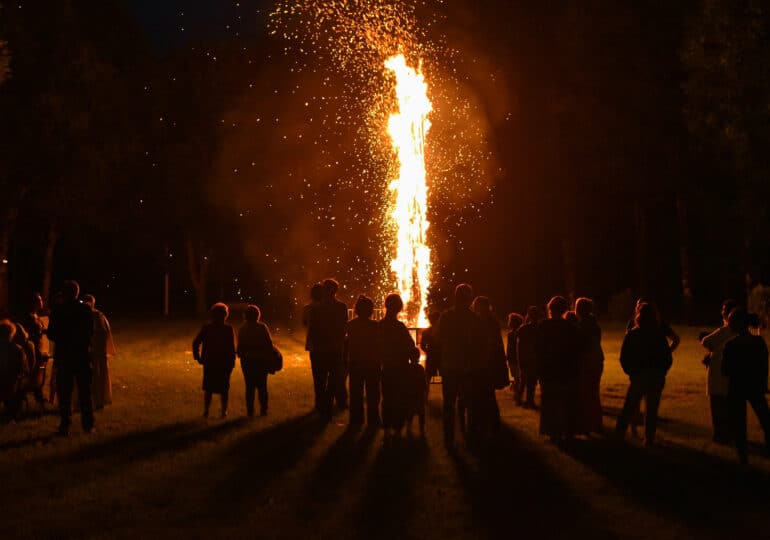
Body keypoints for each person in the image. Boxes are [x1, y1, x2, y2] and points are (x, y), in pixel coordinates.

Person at [615, 303, 673, 447]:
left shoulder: (633, 334)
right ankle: (649, 439)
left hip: (639, 376)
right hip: (656, 376)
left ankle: (619, 435)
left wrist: (631, 372)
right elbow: (667, 357)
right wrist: (662, 372)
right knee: (651, 409)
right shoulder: (659, 335)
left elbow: (624, 357)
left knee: (629, 407)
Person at [437, 283, 486, 446]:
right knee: (468, 403)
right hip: (468, 367)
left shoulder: (446, 316)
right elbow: (480, 344)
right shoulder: (473, 318)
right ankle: (469, 434)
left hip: (450, 365)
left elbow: (437, 339)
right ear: (469, 298)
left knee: (449, 403)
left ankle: (449, 437)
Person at [721, 308, 770, 465]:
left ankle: (743, 458)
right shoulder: (758, 342)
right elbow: (764, 366)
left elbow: (725, 370)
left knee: (739, 425)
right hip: (755, 386)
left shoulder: (731, 345)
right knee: (766, 420)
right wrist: (762, 383)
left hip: (737, 388)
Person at [625, 298, 680, 437]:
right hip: (653, 372)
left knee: (636, 404)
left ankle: (633, 432)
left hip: (640, 371)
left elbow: (627, 349)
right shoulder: (648, 325)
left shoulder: (652, 326)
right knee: (648, 407)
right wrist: (666, 354)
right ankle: (643, 434)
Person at [47, 280, 94, 435]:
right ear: (77, 293)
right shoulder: (85, 310)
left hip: (64, 356)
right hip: (81, 355)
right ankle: (88, 424)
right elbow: (89, 333)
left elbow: (52, 334)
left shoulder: (58, 311)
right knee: (85, 391)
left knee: (65, 393)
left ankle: (65, 424)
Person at [537, 296, 582, 441]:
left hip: (548, 370)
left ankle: (552, 432)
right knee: (566, 401)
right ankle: (567, 431)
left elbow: (538, 350)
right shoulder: (569, 328)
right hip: (565, 369)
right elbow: (576, 350)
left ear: (550, 309)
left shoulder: (543, 326)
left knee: (550, 402)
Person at [379, 293, 419, 440]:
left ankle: (387, 426)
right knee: (400, 397)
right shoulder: (400, 327)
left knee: (388, 397)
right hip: (400, 368)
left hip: (387, 367)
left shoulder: (380, 326)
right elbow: (410, 346)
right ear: (399, 308)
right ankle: (397, 426)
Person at [306, 278, 348, 418]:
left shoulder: (316, 308)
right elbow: (343, 328)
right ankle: (328, 404)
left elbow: (312, 329)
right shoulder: (341, 307)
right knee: (333, 379)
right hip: (335, 348)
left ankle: (320, 405)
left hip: (319, 349)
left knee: (319, 379)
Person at [701, 299, 738, 444]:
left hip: (718, 374)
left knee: (717, 406)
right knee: (729, 408)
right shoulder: (741, 332)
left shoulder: (724, 331)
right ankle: (731, 433)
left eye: (724, 309)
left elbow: (706, 341)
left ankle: (719, 435)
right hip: (732, 376)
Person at [193, 303, 236, 418]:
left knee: (209, 387)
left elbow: (196, 342)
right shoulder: (228, 329)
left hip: (210, 362)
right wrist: (232, 362)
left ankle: (206, 411)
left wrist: (198, 357)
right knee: (224, 388)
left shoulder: (207, 328)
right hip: (223, 362)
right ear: (225, 315)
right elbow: (232, 348)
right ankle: (223, 410)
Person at [471, 296, 506, 438]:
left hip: (485, 364)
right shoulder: (491, 320)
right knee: (487, 395)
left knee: (485, 395)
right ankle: (491, 423)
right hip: (489, 363)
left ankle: (487, 425)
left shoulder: (485, 321)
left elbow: (489, 343)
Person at [345, 295, 381, 427]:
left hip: (356, 362)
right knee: (373, 394)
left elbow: (346, 344)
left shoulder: (351, 325)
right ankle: (373, 419)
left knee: (356, 393)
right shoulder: (375, 326)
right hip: (372, 363)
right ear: (371, 310)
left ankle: (356, 420)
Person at [237, 305, 275, 417]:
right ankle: (264, 409)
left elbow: (240, 346)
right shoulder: (262, 327)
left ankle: (250, 410)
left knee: (249, 386)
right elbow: (269, 344)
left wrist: (241, 354)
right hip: (261, 360)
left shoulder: (243, 329)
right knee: (262, 386)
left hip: (247, 361)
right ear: (258, 315)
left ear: (245, 316)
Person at [575, 297, 604, 435]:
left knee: (586, 394)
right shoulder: (595, 324)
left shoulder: (581, 325)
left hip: (587, 361)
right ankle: (597, 423)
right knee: (594, 392)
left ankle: (587, 424)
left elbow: (580, 345)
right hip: (597, 360)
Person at [81, 295, 115, 410]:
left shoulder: (98, 316)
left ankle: (98, 400)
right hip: (90, 351)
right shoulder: (94, 316)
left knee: (98, 375)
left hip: (96, 351)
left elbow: (103, 333)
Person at [303, 283, 326, 410]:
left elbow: (305, 323)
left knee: (317, 375)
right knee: (328, 374)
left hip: (314, 346)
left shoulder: (307, 308)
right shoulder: (327, 307)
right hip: (327, 345)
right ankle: (326, 401)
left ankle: (319, 401)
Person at [0, 319, 28, 422]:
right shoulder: (18, 350)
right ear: (12, 333)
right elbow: (24, 369)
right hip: (11, 384)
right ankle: (13, 412)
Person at [516, 306, 540, 408]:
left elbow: (519, 347)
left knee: (525, 381)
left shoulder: (523, 329)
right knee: (530, 381)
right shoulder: (540, 328)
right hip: (533, 359)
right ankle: (528, 400)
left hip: (527, 359)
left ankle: (521, 399)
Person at [405, 354, 427, 437]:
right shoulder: (420, 368)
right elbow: (423, 382)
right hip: (419, 394)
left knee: (410, 413)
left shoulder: (407, 368)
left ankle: (409, 427)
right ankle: (421, 429)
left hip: (410, 394)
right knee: (421, 413)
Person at [420, 311, 441, 393]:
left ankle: (425, 396)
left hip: (431, 356)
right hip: (440, 356)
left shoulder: (426, 332)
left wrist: (428, 351)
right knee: (446, 376)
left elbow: (422, 345)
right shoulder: (442, 331)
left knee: (427, 377)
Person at [506, 312, 524, 404]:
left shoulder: (511, 334)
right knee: (518, 378)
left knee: (517, 378)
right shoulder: (521, 333)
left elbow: (509, 348)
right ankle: (517, 396)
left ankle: (517, 396)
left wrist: (507, 357)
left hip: (513, 359)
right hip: (518, 358)